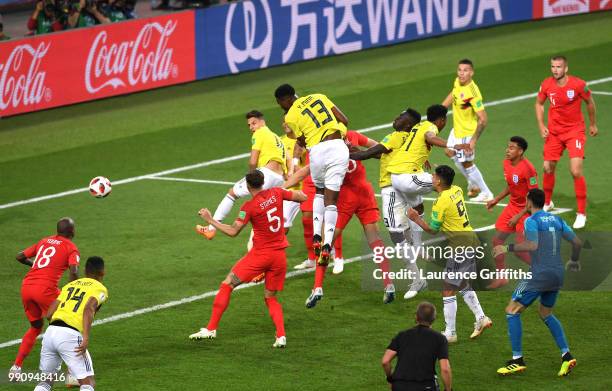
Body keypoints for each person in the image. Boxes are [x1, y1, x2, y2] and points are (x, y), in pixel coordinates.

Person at [190, 170, 307, 347]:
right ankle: (281, 336)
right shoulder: (277, 192)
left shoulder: (248, 207)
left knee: (227, 283)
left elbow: (233, 231)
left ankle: (211, 329)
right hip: (280, 256)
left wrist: (210, 220)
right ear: (263, 182)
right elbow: (301, 197)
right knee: (271, 298)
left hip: (260, 255)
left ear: (247, 186)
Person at [286, 131, 396, 307]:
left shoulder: (325, 148)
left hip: (344, 199)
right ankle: (388, 284)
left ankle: (317, 288)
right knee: (375, 240)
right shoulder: (352, 136)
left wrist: (280, 189)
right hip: (365, 193)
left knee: (325, 243)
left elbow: (304, 173)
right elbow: (379, 149)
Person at [494, 188, 582, 377]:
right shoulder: (557, 220)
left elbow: (532, 245)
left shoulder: (531, 221)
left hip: (539, 273)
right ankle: (566, 356)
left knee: (511, 311)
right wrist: (574, 261)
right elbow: (577, 243)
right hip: (557, 273)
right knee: (546, 313)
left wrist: (506, 247)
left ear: (528, 201)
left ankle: (517, 360)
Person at [386, 105, 470, 286]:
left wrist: (423, 158)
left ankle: (417, 246)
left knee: (418, 204)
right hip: (405, 177)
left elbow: (413, 145)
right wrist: (453, 145)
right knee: (444, 185)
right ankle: (421, 244)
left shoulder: (418, 126)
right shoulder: (430, 128)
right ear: (442, 121)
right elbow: (429, 137)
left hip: (398, 176)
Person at [408, 166, 492, 343]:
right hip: (471, 240)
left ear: (439, 180)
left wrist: (416, 218)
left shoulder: (441, 202)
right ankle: (481, 317)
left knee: (447, 289)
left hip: (460, 247)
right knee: (461, 283)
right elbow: (442, 182)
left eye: (433, 176)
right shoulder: (457, 190)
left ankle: (451, 332)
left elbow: (432, 229)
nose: (431, 177)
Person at [350, 108, 425, 300]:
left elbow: (371, 154)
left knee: (395, 235)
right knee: (412, 219)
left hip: (392, 188)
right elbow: (383, 154)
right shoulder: (412, 140)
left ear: (407, 125)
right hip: (409, 184)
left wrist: (348, 154)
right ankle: (417, 244)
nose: (396, 118)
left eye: (400, 117)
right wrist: (362, 152)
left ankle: (417, 278)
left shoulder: (394, 136)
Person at [275, 84, 350, 265]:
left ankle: (317, 235)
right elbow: (344, 120)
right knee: (332, 201)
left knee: (319, 192)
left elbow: (302, 140)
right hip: (338, 147)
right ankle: (327, 245)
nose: (281, 106)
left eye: (280, 103)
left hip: (317, 151)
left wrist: (294, 136)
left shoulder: (290, 115)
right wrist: (342, 135)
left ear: (285, 99)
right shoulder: (319, 96)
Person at [197, 110, 286, 240]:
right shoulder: (276, 137)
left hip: (266, 173)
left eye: (253, 123)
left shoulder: (260, 133)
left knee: (231, 193)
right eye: (249, 125)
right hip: (279, 178)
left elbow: (253, 160)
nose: (251, 128)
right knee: (266, 204)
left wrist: (252, 176)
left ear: (262, 121)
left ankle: (211, 229)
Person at [9, 218, 80, 379]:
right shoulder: (71, 247)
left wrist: (35, 266)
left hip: (27, 287)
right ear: (71, 232)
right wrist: (72, 291)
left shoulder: (44, 241)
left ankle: (16, 367)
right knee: (66, 325)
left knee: (35, 326)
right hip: (45, 290)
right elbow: (74, 272)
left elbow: (19, 256)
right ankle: (73, 374)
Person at [535, 55, 598, 229]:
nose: (555, 70)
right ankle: (547, 203)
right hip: (554, 133)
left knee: (575, 171)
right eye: (553, 67)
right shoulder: (546, 84)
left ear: (566, 68)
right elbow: (539, 103)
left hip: (574, 132)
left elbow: (589, 102)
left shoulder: (578, 84)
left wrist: (592, 124)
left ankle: (581, 214)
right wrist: (541, 126)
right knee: (547, 167)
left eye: (559, 67)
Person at [33, 256, 108, 391]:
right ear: (103, 272)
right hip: (70, 335)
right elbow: (88, 308)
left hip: (50, 334)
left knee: (45, 382)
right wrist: (85, 337)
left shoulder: (69, 286)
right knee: (88, 382)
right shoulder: (99, 288)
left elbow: (49, 314)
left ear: (85, 270)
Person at [282, 121, 346, 272]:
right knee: (308, 219)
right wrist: (295, 163)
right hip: (310, 180)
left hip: (330, 176)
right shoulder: (305, 133)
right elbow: (299, 145)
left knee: (330, 215)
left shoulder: (337, 129)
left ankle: (335, 254)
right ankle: (312, 258)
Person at [486, 136, 538, 288]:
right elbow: (511, 186)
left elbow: (535, 197)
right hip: (512, 207)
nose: (507, 150)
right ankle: (502, 277)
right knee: (497, 241)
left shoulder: (529, 169)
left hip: (527, 211)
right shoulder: (506, 163)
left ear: (520, 151)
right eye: (507, 147)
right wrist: (496, 199)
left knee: (520, 251)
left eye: (512, 148)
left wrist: (519, 215)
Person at [442, 59, 493, 202]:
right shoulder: (457, 82)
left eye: (465, 70)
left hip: (466, 133)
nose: (462, 73)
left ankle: (486, 192)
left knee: (466, 163)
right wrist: (441, 108)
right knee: (449, 151)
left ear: (471, 72)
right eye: (459, 70)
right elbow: (454, 93)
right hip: (457, 129)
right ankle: (473, 182)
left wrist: (473, 140)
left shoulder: (472, 92)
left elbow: (483, 119)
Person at [382, 301, 452, 391]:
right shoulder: (439, 338)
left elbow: (385, 361)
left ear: (416, 317)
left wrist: (390, 378)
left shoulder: (402, 335)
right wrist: (448, 389)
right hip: (425, 386)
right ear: (433, 318)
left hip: (399, 386)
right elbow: (445, 369)